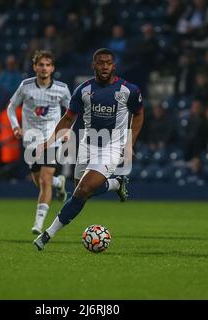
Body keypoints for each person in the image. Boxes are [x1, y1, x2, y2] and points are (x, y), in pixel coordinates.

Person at [33, 48, 144, 251]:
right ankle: (115, 184)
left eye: (108, 63)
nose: (104, 66)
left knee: (83, 190)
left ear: (114, 66)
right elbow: (68, 118)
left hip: (112, 147)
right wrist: (49, 142)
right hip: (87, 144)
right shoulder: (83, 90)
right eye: (100, 62)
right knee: (81, 192)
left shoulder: (129, 90)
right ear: (93, 65)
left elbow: (139, 114)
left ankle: (47, 235)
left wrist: (129, 143)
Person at [7, 50, 69, 235]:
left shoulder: (62, 88)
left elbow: (72, 111)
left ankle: (38, 224)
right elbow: (11, 107)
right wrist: (15, 126)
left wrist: (67, 130)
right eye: (41, 65)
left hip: (52, 139)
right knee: (39, 180)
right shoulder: (25, 86)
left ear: (52, 68)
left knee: (44, 180)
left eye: (48, 65)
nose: (44, 68)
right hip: (31, 140)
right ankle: (59, 183)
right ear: (35, 67)